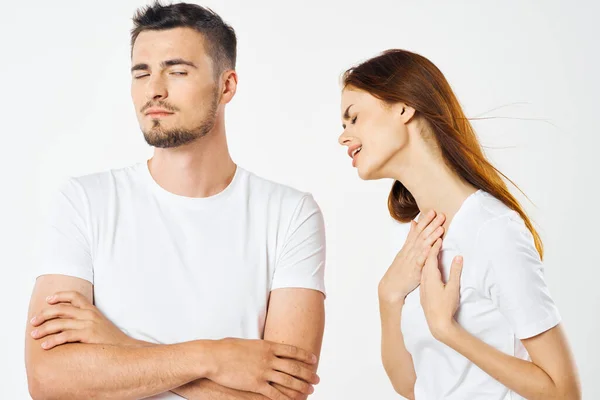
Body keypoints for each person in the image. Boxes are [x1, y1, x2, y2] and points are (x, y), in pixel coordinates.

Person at [25, 3, 325, 400]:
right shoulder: (84, 201)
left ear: (227, 86)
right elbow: (48, 378)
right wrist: (210, 357)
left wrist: (118, 343)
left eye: (177, 70)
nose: (154, 89)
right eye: (141, 72)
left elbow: (284, 395)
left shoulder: (290, 214)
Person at [338, 49, 581, 399]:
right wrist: (388, 296)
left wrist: (447, 330)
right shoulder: (415, 239)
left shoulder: (493, 229)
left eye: (354, 118)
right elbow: (412, 387)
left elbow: (564, 391)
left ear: (404, 107)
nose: (343, 137)